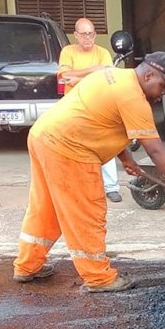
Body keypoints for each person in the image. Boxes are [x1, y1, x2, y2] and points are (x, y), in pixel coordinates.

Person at [13, 51, 165, 293]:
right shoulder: (133, 98)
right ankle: (98, 277)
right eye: (163, 85)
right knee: (86, 211)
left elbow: (100, 119)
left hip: (43, 136)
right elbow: (157, 152)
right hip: (69, 148)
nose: (164, 93)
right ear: (148, 75)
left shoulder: (112, 76)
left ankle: (27, 265)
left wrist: (125, 157)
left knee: (45, 207)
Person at [58, 17, 122, 202]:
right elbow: (64, 75)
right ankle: (77, 187)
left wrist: (77, 79)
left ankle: (111, 187)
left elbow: (107, 77)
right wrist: (93, 69)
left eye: (91, 34)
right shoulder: (67, 52)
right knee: (74, 147)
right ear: (76, 35)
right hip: (73, 108)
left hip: (98, 106)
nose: (88, 38)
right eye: (84, 34)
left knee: (105, 144)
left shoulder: (103, 52)